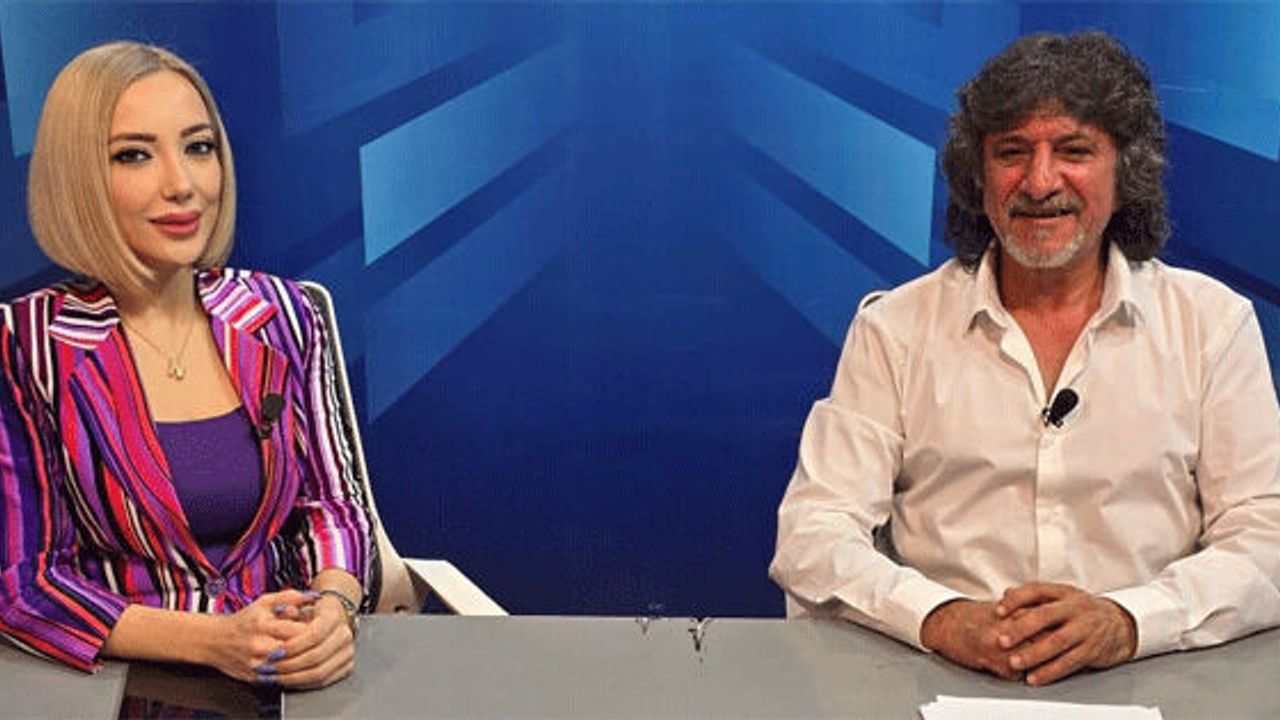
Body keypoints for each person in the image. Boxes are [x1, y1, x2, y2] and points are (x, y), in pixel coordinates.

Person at [770, 31, 1280, 686]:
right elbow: (813, 534)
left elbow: (1267, 540)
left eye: (1074, 151)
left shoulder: (1211, 326)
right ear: (978, 177)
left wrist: (1128, 621)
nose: (1040, 182)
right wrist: (941, 618)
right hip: (935, 679)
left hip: (1154, 678)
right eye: (1012, 153)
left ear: (1124, 172)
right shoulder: (894, 329)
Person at [0, 41, 372, 689]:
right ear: (78, 177)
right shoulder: (26, 343)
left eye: (198, 147)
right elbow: (23, 583)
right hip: (127, 683)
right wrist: (214, 641)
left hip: (293, 674)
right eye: (134, 155)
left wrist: (333, 610)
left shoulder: (282, 313)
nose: (182, 184)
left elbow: (333, 505)